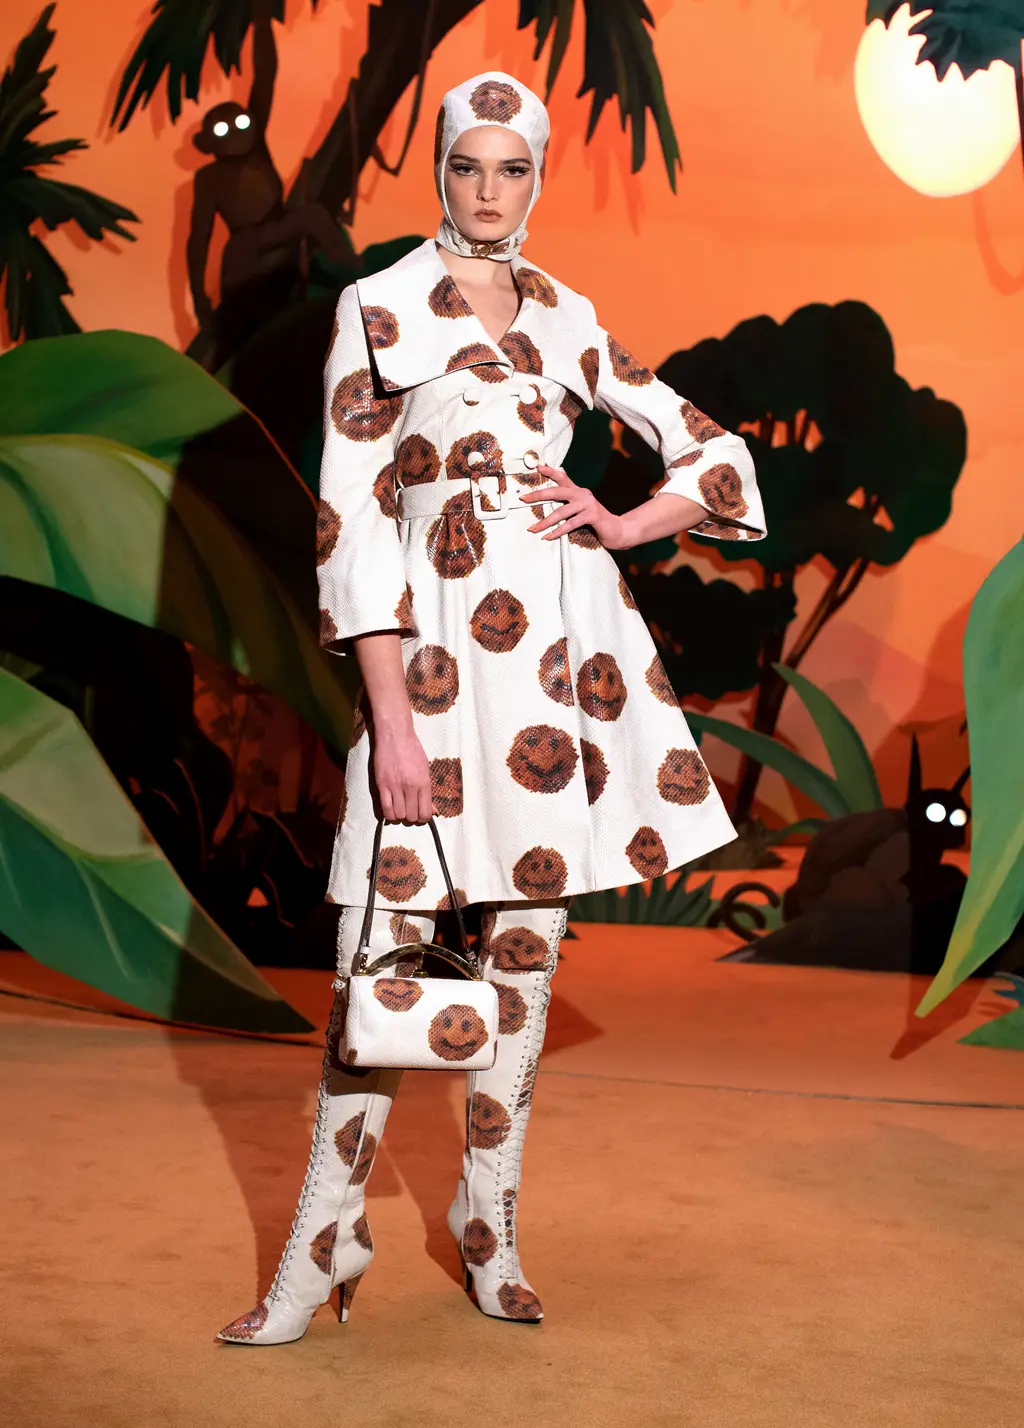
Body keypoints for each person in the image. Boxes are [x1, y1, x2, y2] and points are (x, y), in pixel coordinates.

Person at [216, 70, 765, 1346]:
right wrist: (390, 717)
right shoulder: (379, 303)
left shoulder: (570, 315)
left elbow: (713, 452)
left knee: (522, 964)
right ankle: (321, 1243)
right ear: (441, 168)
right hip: (426, 670)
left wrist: (622, 521)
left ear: (536, 176)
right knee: (377, 964)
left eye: (512, 168)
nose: (488, 189)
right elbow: (352, 522)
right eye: (469, 164)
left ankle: (488, 1226)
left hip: (555, 673)